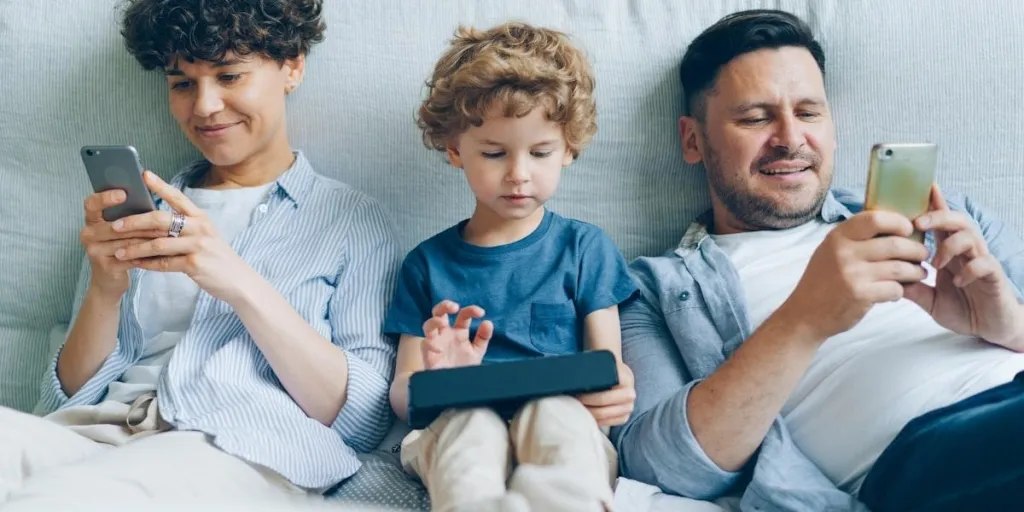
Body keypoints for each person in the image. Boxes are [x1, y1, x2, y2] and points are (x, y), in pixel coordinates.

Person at [611, 9, 1024, 512]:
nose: (790, 137)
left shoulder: (954, 214)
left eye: (808, 113)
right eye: (756, 117)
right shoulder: (649, 290)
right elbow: (656, 466)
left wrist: (1010, 326)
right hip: (927, 454)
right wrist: (806, 317)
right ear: (693, 140)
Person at [0, 0, 400, 508]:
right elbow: (66, 398)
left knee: (67, 497)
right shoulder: (144, 208)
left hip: (235, 446)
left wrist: (236, 279)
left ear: (292, 66)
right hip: (96, 434)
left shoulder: (350, 220)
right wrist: (105, 288)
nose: (205, 106)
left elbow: (364, 418)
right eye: (183, 83)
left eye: (229, 76)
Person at [382, 22, 638, 512]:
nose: (518, 174)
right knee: (471, 426)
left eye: (540, 153)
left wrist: (616, 392)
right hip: (452, 420)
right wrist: (439, 378)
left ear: (568, 150)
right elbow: (403, 396)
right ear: (456, 150)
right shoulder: (426, 265)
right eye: (495, 153)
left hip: (562, 423)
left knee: (555, 414)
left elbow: (608, 367)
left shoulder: (586, 248)